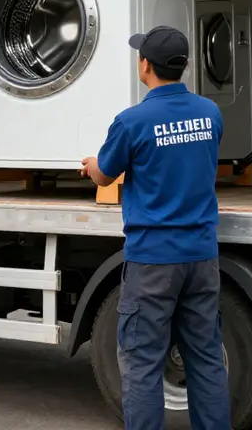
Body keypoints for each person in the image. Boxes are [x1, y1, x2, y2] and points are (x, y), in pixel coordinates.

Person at [81, 26, 230, 430]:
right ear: (183, 65)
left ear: (145, 65)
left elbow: (104, 176)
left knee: (143, 362)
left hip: (152, 260)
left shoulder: (132, 121)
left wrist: (92, 163)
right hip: (201, 255)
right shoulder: (210, 113)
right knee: (206, 358)